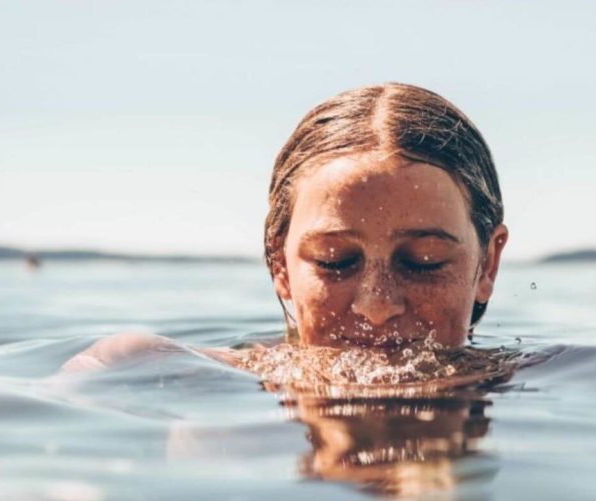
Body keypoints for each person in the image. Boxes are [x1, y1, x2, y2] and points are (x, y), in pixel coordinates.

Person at [63, 82, 509, 371]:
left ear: (487, 265)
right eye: (335, 261)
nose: (377, 306)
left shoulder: (549, 382)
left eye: (423, 261)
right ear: (280, 265)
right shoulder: (147, 369)